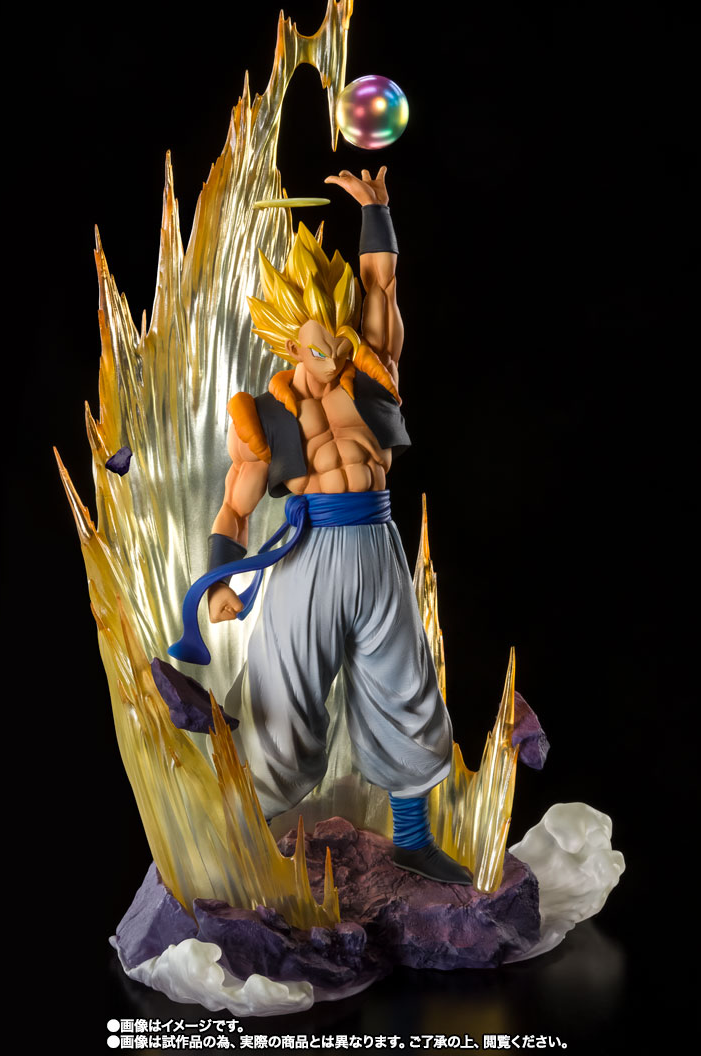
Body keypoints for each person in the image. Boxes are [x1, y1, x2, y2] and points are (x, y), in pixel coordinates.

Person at [171, 167, 471, 884]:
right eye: (318, 348)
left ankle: (411, 839)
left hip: (378, 546)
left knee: (406, 689)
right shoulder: (263, 418)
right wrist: (219, 581)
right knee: (283, 708)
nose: (336, 357)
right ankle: (240, 851)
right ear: (286, 342)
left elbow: (380, 286)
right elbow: (235, 507)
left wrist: (377, 213)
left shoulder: (371, 375)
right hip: (308, 559)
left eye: (339, 341)